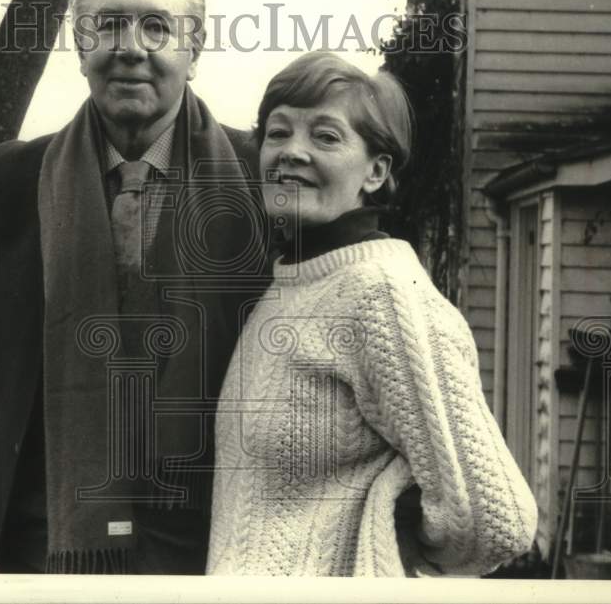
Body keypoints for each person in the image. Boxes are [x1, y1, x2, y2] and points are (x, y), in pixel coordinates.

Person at [0, 0, 266, 574]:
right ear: (80, 46)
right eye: (107, 24)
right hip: (46, 523)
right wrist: (12, 393)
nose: (131, 46)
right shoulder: (13, 178)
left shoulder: (258, 175)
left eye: (157, 26)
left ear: (195, 48)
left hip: (214, 524)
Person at [206, 52, 537, 576]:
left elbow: (496, 518)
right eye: (278, 132)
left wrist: (381, 533)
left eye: (326, 136)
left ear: (376, 171)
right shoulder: (291, 281)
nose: (292, 151)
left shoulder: (381, 293)